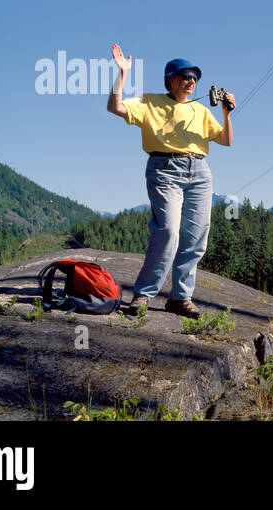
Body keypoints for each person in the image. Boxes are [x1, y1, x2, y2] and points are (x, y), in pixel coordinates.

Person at [106, 43, 234, 318]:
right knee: (167, 232)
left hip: (199, 172)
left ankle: (180, 298)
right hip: (164, 169)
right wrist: (121, 73)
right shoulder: (150, 102)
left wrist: (226, 112)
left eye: (194, 78)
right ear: (170, 79)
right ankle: (143, 293)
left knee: (196, 237)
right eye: (185, 76)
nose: (191, 81)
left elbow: (225, 140)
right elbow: (115, 107)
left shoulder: (200, 111)